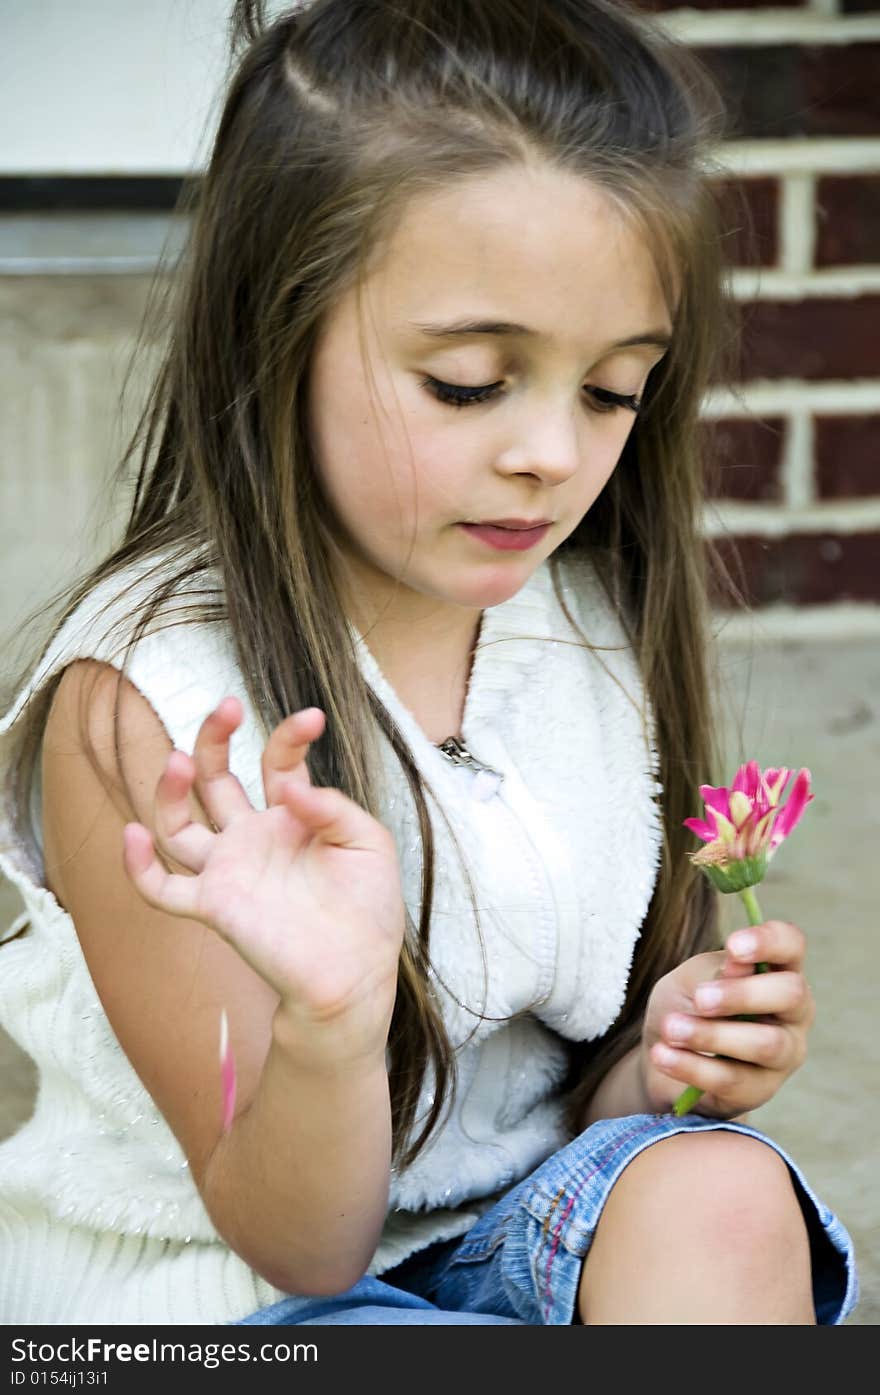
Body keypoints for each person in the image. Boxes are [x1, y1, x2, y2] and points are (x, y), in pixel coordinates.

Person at [0, 0, 858, 1326]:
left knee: (721, 1193)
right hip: (236, 1301)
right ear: (274, 332)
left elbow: (564, 1119)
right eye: (469, 383)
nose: (552, 456)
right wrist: (334, 1019)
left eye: (613, 390)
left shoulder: (583, 632)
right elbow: (302, 1243)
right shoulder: (155, 712)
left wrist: (669, 1061)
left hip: (502, 1242)